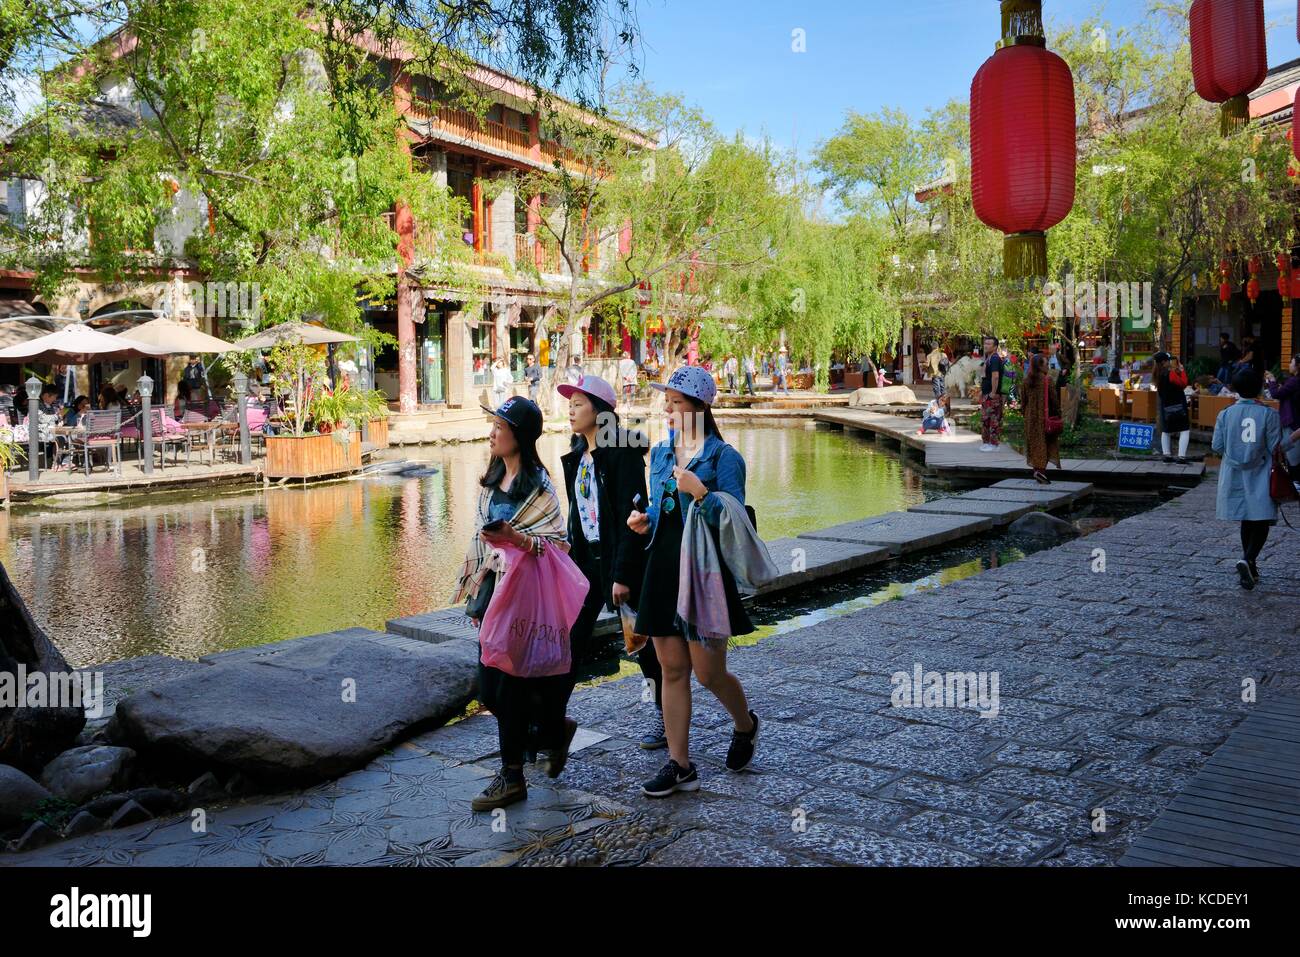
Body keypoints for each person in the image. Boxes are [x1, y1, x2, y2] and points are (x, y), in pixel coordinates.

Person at [626, 365, 760, 797]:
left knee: (708, 672)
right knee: (672, 669)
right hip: (663, 567)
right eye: (666, 400)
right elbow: (659, 507)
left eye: (676, 401)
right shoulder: (662, 453)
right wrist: (644, 520)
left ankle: (745, 723)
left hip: (705, 574)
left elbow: (736, 523)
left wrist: (702, 493)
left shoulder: (725, 458)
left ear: (700, 407)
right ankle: (680, 765)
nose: (667, 407)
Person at [451, 396, 576, 811]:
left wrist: (518, 539)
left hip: (525, 598)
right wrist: (476, 590)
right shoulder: (490, 480)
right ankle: (552, 733)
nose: (492, 433)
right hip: (493, 592)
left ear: (518, 436)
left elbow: (559, 543)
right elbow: (478, 536)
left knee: (510, 684)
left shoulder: (540, 487)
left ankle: (512, 776)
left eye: (499, 427)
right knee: (491, 686)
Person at [558, 374, 663, 749]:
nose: (571, 410)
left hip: (621, 564)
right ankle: (552, 723)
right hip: (587, 566)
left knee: (642, 646)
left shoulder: (622, 453)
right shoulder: (577, 455)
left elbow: (631, 520)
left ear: (600, 411)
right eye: (569, 405)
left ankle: (665, 715)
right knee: (570, 640)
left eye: (579, 404)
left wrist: (622, 575)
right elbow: (579, 515)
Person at [1211, 369, 1282, 591]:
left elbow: (1217, 447)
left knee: (1245, 518)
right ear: (1260, 388)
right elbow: (1275, 448)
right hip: (1260, 473)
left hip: (1234, 473)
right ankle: (1249, 559)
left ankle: (1249, 562)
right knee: (1261, 519)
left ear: (1234, 388)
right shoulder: (1268, 414)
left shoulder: (1225, 413)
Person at [1021, 354, 1061, 483]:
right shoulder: (1047, 380)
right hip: (1045, 417)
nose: (1048, 366)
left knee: (1034, 444)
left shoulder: (1026, 381)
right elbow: (1054, 400)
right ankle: (1041, 472)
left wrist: (1025, 415)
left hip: (1029, 417)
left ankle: (1037, 471)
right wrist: (1058, 413)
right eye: (1046, 364)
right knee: (1045, 443)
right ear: (1040, 366)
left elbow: (1023, 401)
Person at [1153, 352, 1191, 465]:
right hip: (1178, 405)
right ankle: (1181, 456)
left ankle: (1167, 455)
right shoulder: (1169, 373)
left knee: (1166, 430)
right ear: (1164, 362)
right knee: (1184, 429)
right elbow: (1183, 384)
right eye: (1168, 360)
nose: (1170, 362)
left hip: (1165, 406)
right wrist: (1182, 371)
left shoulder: (1157, 375)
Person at [979, 336, 1004, 451]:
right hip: (986, 394)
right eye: (985, 343)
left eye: (989, 344)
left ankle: (993, 444)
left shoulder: (994, 358)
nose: (986, 345)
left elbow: (995, 376)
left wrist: (993, 393)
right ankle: (987, 442)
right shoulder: (988, 358)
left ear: (995, 347)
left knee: (993, 419)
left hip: (992, 395)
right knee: (986, 419)